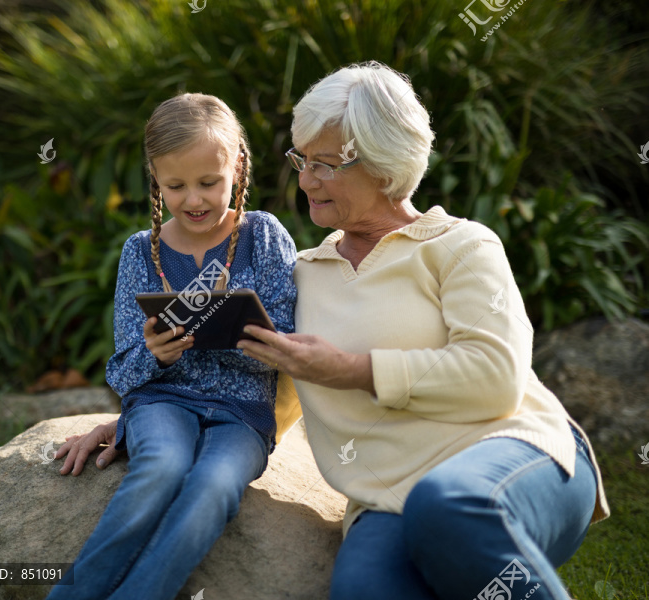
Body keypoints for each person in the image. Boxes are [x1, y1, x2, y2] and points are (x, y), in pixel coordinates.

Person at [57, 63, 610, 600]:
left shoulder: (460, 245)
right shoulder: (302, 272)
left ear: (384, 163)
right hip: (389, 499)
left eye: (324, 164)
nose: (304, 180)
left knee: (447, 507)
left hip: (508, 455)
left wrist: (349, 369)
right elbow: (270, 378)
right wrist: (136, 417)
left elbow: (497, 379)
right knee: (363, 588)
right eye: (301, 160)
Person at [46, 92, 297, 600]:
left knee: (212, 485)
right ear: (155, 179)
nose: (194, 200)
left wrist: (238, 333)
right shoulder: (141, 250)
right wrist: (157, 353)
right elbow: (121, 370)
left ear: (238, 168)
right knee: (161, 468)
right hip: (163, 400)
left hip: (242, 412)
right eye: (175, 185)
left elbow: (287, 342)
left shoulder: (264, 235)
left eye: (209, 183)